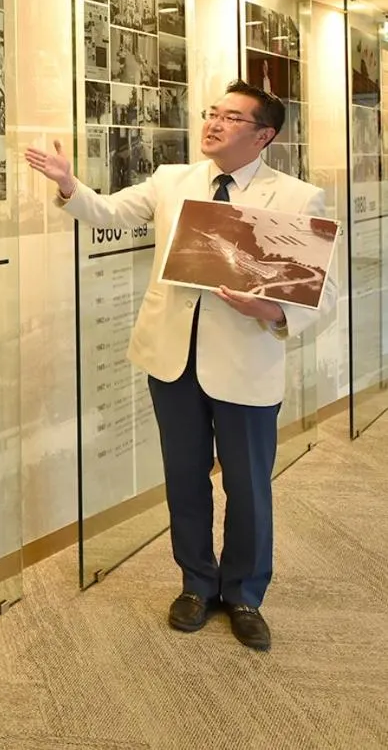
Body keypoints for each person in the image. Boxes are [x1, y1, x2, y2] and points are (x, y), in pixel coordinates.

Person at [24, 79, 332, 653]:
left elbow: (321, 294)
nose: (213, 123)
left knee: (247, 487)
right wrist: (69, 186)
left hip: (244, 362)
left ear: (264, 135)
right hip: (172, 360)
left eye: (232, 117)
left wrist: (271, 309)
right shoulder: (174, 181)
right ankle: (196, 584)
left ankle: (243, 594)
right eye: (212, 113)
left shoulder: (295, 197)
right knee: (185, 479)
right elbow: (107, 211)